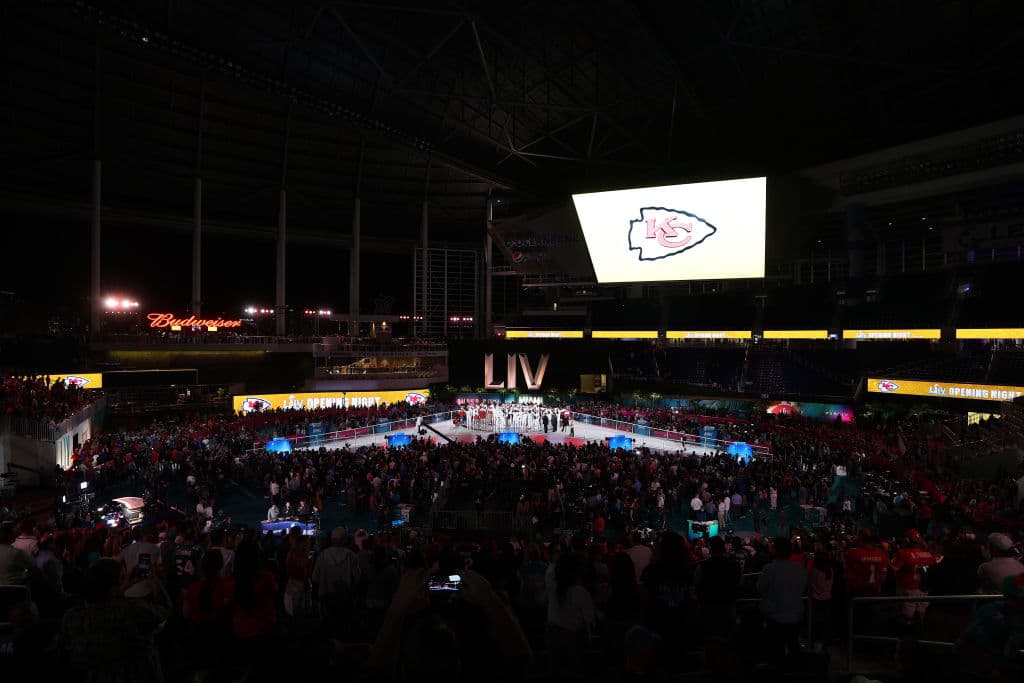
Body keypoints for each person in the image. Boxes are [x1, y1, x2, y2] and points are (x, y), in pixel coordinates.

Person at [59, 557, 171, 683]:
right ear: (113, 587)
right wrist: (154, 578)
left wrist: (124, 584)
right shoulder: (131, 611)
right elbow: (164, 609)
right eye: (121, 578)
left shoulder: (71, 617)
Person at [956, 573, 1024, 681]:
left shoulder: (990, 610)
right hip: (985, 668)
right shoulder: (992, 614)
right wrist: (991, 670)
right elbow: (967, 644)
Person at [757, 536, 807, 668]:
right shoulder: (800, 569)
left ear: (776, 550)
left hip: (775, 617)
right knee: (793, 645)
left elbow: (760, 588)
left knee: (776, 651)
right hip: (795, 615)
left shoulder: (769, 569)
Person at [693, 536, 741, 641]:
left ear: (710, 548)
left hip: (708, 606)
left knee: (709, 638)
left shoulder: (702, 566)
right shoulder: (735, 565)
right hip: (728, 605)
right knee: (727, 638)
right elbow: (738, 583)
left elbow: (696, 585)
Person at [891, 529, 936, 625]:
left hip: (907, 588)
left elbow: (894, 569)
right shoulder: (928, 554)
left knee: (905, 619)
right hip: (924, 590)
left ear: (907, 540)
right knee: (920, 616)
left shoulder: (903, 553)